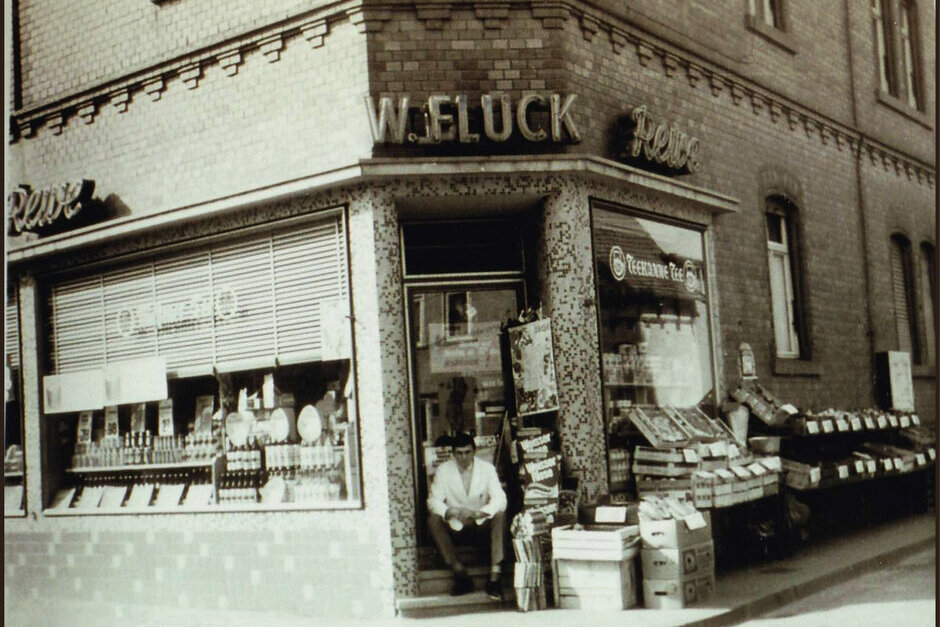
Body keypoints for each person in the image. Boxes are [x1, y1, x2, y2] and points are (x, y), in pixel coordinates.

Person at [427, 432, 507, 598]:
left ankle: (495, 578)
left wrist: (480, 512)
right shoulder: (443, 470)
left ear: (474, 451)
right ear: (453, 453)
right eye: (459, 453)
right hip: (456, 526)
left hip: (480, 526)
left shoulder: (487, 469)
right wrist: (448, 511)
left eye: (467, 452)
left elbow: (501, 499)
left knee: (500, 515)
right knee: (433, 521)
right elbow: (433, 501)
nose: (464, 457)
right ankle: (460, 574)